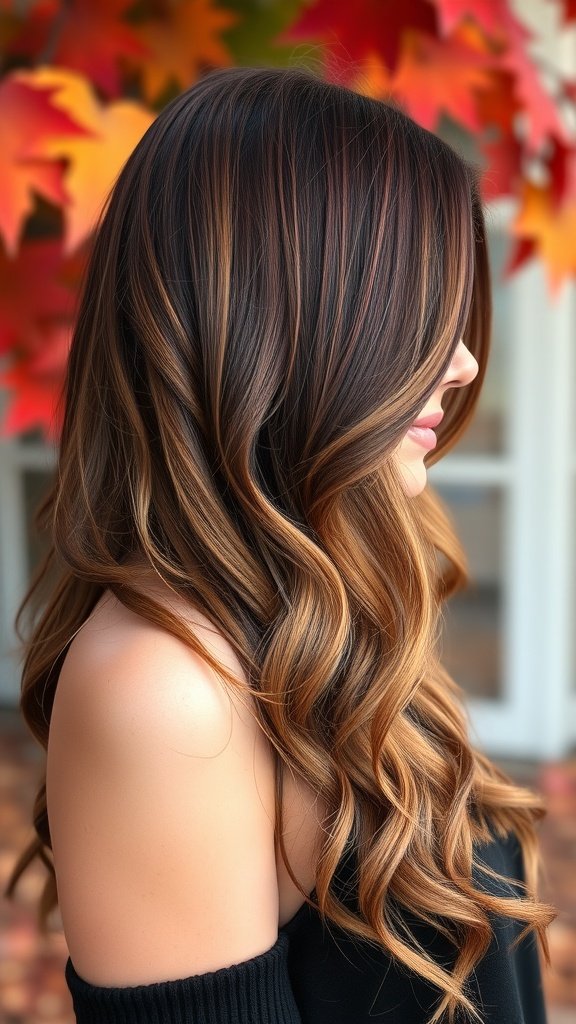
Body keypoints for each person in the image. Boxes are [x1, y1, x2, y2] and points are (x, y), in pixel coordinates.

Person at [4, 64, 556, 1024]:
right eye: (422, 309)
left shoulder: (321, 608)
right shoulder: (164, 688)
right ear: (284, 318)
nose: (464, 361)